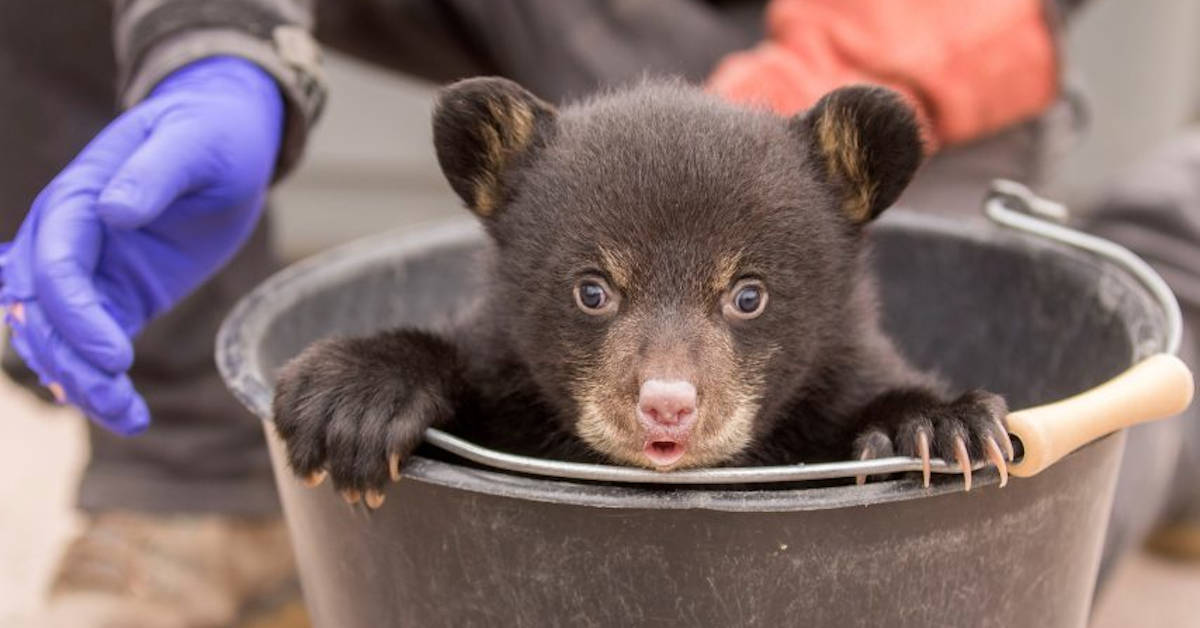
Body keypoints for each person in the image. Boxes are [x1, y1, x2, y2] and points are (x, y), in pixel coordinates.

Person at [2, 0, 1192, 625]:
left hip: (898, 41)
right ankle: (206, 484)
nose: (665, 381)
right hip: (579, 33)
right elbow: (466, 366)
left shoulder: (835, 271)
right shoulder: (507, 305)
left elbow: (881, 391)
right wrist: (214, 42)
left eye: (741, 302)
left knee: (1085, 433)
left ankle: (1173, 341)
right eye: (592, 297)